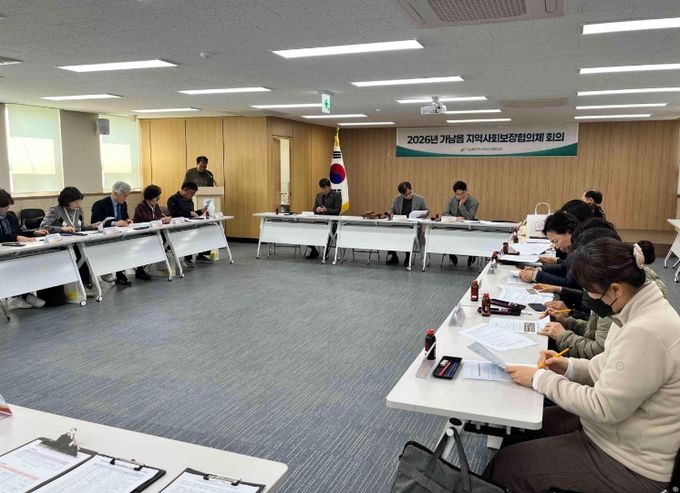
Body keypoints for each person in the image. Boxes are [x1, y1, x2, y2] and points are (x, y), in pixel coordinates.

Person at [486, 238, 680, 493]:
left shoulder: (646, 331)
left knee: (509, 465)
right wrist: (568, 366)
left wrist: (539, 379)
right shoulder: (633, 312)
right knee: (522, 429)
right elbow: (605, 367)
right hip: (611, 433)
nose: (588, 297)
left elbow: (603, 407)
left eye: (590, 291)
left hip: (630, 462)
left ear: (615, 290)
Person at [40, 186, 97, 287]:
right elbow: (43, 227)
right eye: (75, 202)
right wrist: (61, 229)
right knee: (78, 254)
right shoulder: (55, 210)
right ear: (66, 201)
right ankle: (76, 285)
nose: (78, 204)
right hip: (61, 245)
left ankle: (85, 284)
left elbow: (79, 227)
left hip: (77, 242)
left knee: (84, 253)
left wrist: (92, 226)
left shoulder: (79, 210)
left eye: (79, 201)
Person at [0, 189, 46, 308]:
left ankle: (25, 294)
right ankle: (17, 296)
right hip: (2, 255)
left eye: (8, 206)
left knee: (27, 262)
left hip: (14, 251)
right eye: (4, 207)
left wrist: (33, 232)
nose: (7, 209)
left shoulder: (10, 216)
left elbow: (20, 233)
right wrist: (16, 237)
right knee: (16, 265)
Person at [91, 181, 133, 286]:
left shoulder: (123, 204)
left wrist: (127, 220)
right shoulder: (100, 204)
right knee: (116, 248)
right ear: (116, 193)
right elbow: (96, 223)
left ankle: (121, 274)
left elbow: (124, 217)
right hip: (104, 237)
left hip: (119, 235)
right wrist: (114, 223)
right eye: (125, 195)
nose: (126, 198)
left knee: (125, 246)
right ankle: (106, 271)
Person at [132, 184, 171, 280]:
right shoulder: (140, 207)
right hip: (141, 234)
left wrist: (163, 219)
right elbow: (147, 219)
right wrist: (160, 220)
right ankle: (141, 269)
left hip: (152, 233)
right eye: (156, 198)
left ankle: (156, 262)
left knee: (164, 238)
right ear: (149, 197)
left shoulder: (155, 206)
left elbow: (157, 217)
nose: (158, 200)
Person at [387, 182, 428, 266]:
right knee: (390, 233)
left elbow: (426, 211)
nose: (409, 195)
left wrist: (423, 214)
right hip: (400, 224)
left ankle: (408, 257)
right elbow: (392, 210)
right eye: (406, 195)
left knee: (408, 234)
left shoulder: (420, 199)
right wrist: (390, 214)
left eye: (410, 193)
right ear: (402, 194)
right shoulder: (397, 199)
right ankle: (394, 256)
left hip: (413, 226)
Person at [167, 181, 208, 265]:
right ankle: (187, 259)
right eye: (192, 193)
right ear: (185, 190)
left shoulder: (190, 201)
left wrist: (200, 211)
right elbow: (174, 214)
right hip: (177, 226)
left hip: (189, 224)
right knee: (189, 234)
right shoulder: (173, 199)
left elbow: (192, 214)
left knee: (206, 230)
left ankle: (201, 254)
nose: (193, 195)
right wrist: (190, 213)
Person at [443, 181, 480, 266]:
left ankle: (472, 255)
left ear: (466, 191)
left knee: (473, 236)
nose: (460, 196)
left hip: (468, 229)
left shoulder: (474, 202)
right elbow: (445, 214)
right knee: (446, 234)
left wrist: (461, 205)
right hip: (454, 228)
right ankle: (451, 252)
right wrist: (455, 219)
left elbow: (469, 217)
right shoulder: (452, 200)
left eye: (462, 193)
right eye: (457, 194)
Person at [306, 178, 341, 260]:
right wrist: (317, 210)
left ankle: (326, 251)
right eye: (322, 188)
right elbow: (314, 209)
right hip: (319, 221)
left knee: (326, 233)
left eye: (325, 188)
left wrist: (326, 210)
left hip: (331, 222)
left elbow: (337, 211)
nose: (324, 190)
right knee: (308, 231)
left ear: (329, 186)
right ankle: (314, 250)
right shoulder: (318, 195)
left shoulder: (336, 195)